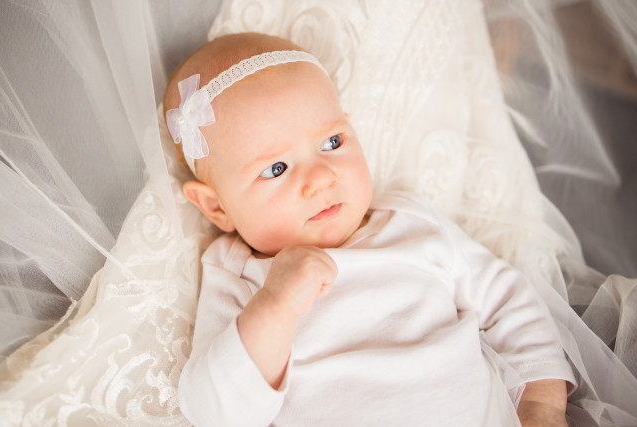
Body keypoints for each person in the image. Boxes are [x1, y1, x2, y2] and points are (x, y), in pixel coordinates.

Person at [164, 32, 575, 426]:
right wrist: (276, 304)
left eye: (332, 143)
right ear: (217, 207)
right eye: (276, 169)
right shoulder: (239, 275)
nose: (321, 178)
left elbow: (509, 300)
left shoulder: (410, 222)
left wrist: (540, 403)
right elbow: (213, 411)